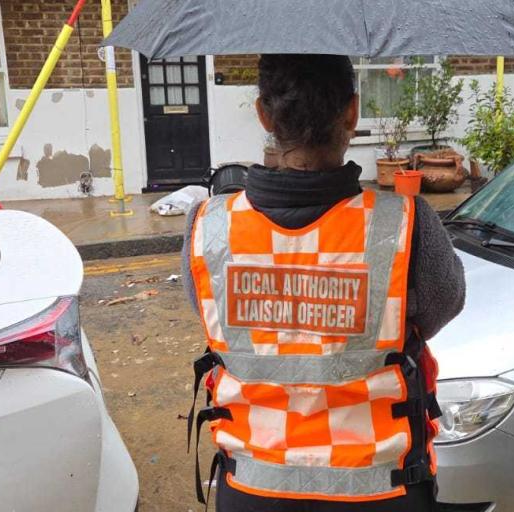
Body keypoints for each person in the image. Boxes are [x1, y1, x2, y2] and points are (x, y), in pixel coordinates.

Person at [182, 54, 465, 512]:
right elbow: (442, 307)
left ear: (263, 115)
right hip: (380, 487)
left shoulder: (209, 227)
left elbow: (214, 320)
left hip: (253, 485)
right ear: (352, 112)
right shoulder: (405, 224)